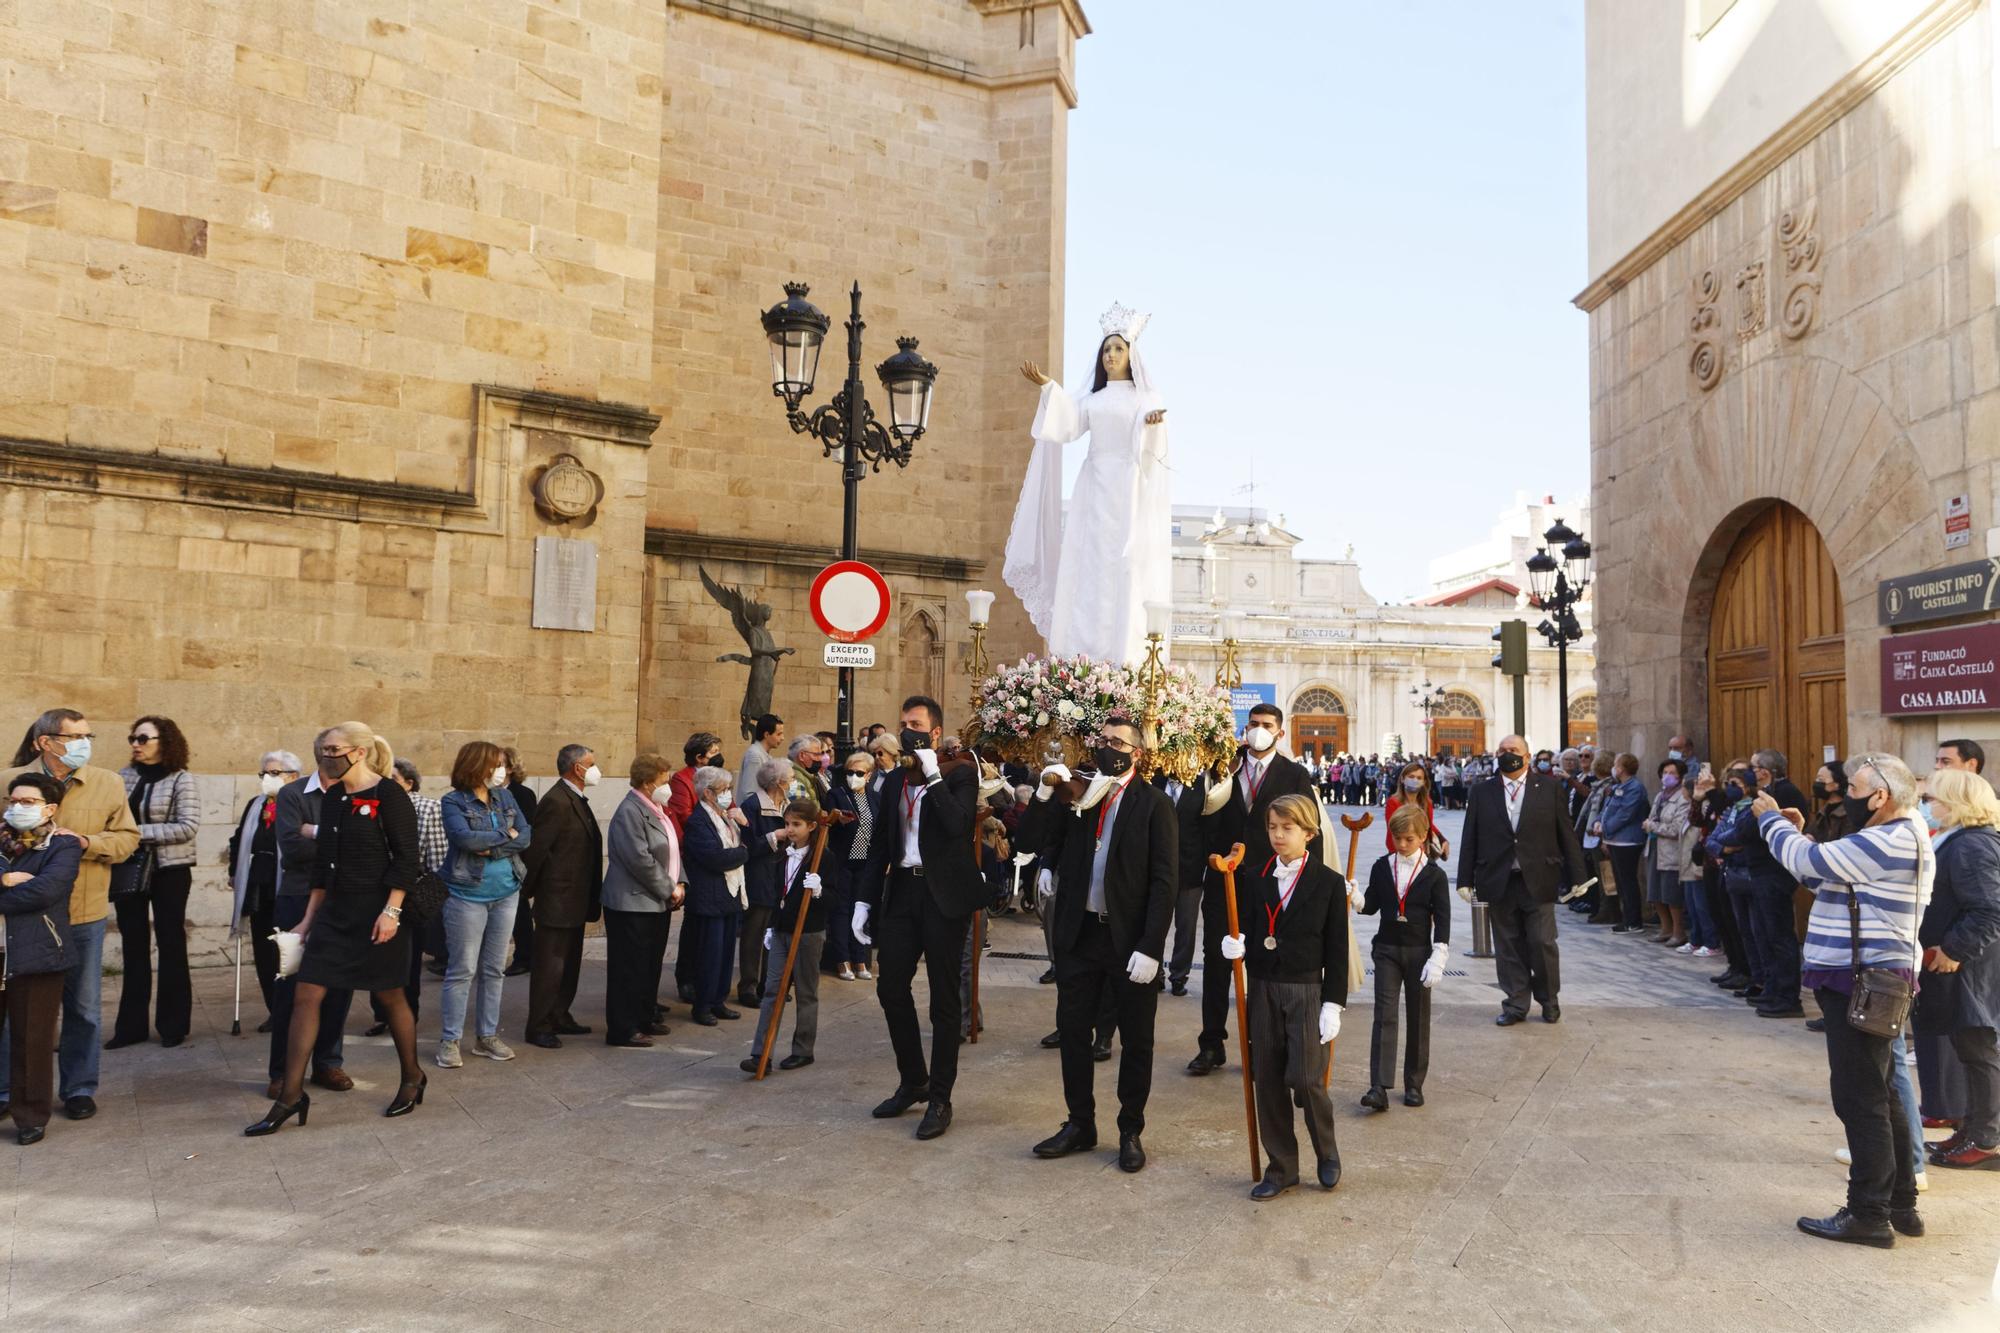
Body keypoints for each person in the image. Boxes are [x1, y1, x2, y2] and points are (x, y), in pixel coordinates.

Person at [1752, 753, 1929, 1245]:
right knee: (1882, 1090)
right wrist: (1796, 833)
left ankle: (1868, 1213)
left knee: (1861, 1096)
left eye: (1854, 787)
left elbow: (1808, 863)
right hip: (1867, 978)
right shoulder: (1896, 832)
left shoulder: (1890, 837)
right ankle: (1899, 1204)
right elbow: (1822, 874)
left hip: (1860, 981)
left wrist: (1770, 822)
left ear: (1881, 796)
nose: (1846, 794)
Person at [1016, 716, 1176, 1173]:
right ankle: (1080, 1123)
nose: (1108, 748)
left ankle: (1130, 1129)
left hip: (1128, 939)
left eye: (1117, 742)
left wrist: (1151, 946)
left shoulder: (1154, 805)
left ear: (1137, 753)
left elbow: (1165, 882)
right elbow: (1030, 842)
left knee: (1137, 1038)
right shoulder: (1079, 798)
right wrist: (1046, 794)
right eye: (1102, 740)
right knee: (1072, 1030)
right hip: (1080, 934)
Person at [247, 722, 424, 1135]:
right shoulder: (334, 800)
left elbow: (406, 859)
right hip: (334, 914)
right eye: (322, 749)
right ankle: (290, 1096)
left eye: (333, 749)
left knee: (391, 996)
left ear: (359, 752)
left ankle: (412, 1076)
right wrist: (308, 920)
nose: (326, 756)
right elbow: (323, 869)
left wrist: (392, 913)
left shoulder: (389, 794)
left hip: (380, 912)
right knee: (306, 996)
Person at [1007, 307, 1170, 664]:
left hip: (1126, 487)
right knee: (1088, 564)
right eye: (1106, 350)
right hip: (1094, 486)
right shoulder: (1093, 399)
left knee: (1124, 565)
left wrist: (1152, 426)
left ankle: (1124, 654)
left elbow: (1151, 439)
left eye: (1118, 349)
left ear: (1131, 356)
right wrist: (1049, 388)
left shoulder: (1145, 398)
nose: (1111, 355)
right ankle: (1083, 654)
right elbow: (1068, 424)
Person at [0, 709, 140, 1123]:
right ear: (45, 742)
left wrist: (85, 841)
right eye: (74, 736)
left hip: (84, 910)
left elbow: (127, 839)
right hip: (22, 918)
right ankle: (9, 1088)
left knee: (83, 1007)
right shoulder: (9, 781)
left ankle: (79, 1087)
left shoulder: (107, 782)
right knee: (15, 1007)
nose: (84, 743)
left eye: (87, 735)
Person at [856, 695, 983, 1141]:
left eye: (915, 724)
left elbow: (957, 825)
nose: (905, 729)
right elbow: (877, 845)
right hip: (903, 892)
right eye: (902, 722)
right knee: (891, 988)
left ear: (933, 732)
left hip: (943, 895)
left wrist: (932, 775)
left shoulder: (960, 774)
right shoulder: (891, 783)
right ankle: (914, 1079)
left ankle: (942, 1096)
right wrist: (863, 901)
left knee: (945, 1001)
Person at [1218, 795, 1349, 1199]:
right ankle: (1281, 1166)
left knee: (1307, 1079)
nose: (1277, 835)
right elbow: (1254, 931)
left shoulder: (1328, 883)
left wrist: (1333, 1003)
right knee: (1268, 1078)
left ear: (1309, 833)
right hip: (1263, 987)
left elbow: (1337, 950)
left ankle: (1326, 1151)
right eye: (1272, 827)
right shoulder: (1255, 877)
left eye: (1287, 828)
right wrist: (1237, 946)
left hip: (1307, 991)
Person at [1190, 703, 1317, 1075]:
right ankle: (1211, 1043)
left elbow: (1309, 828)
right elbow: (1199, 815)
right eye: (1253, 724)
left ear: (1279, 732)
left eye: (1266, 725)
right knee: (1217, 961)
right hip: (1223, 879)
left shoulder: (1293, 774)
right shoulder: (1223, 765)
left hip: (1269, 883)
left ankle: (1261, 1045)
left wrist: (1308, 881)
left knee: (1263, 964)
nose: (1257, 730)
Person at [1457, 734, 1587, 1026]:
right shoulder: (1482, 791)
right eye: (1502, 750)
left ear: (1527, 757)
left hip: (1539, 878)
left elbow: (1566, 834)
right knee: (1507, 946)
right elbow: (1470, 837)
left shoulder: (1550, 788)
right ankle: (1515, 1004)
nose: (1507, 754)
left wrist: (1579, 876)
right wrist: (1464, 878)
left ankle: (1548, 999)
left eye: (1513, 750)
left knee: (1542, 943)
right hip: (1498, 879)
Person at [1915, 768, 2000, 1171]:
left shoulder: (1972, 845)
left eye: (1932, 799)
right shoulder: (1961, 840)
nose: (1926, 806)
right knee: (1969, 1049)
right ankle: (1971, 1128)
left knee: (1979, 1048)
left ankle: (1987, 1138)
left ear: (1955, 803)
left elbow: (1989, 909)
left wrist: (1954, 949)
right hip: (1965, 965)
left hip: (1970, 966)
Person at [265, 732, 355, 1099]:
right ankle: (283, 1072)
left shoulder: (360, 794)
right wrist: (343, 842)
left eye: (341, 750)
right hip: (298, 897)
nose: (334, 756)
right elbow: (292, 847)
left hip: (346, 898)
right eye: (329, 750)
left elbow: (369, 845)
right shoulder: (293, 794)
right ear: (318, 753)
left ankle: (328, 1062)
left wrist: (317, 833)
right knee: (292, 987)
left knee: (339, 986)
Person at [436, 742, 532, 1067]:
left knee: (494, 969)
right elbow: (464, 839)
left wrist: (491, 846)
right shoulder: (452, 801)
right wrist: (507, 835)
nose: (502, 770)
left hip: (507, 891)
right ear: (478, 766)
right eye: (497, 764)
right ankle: (450, 1040)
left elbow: (527, 835)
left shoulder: (505, 796)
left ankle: (486, 1036)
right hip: (466, 895)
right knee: (462, 970)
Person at [107, 716, 200, 1050]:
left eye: (144, 738)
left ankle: (173, 1025)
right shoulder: (123, 776)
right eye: (133, 737)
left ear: (165, 742)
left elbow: (187, 826)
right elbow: (111, 819)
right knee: (133, 944)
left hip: (170, 871)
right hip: (129, 868)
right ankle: (131, 1027)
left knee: (171, 941)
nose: (136, 744)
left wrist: (134, 835)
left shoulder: (181, 779)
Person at [0, 773, 80, 1143]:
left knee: (32, 1038)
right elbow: (31, 890)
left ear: (50, 808)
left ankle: (31, 1115)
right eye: (13, 800)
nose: (17, 807)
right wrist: (8, 881)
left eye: (27, 802)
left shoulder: (63, 846)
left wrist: (22, 884)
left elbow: (46, 892)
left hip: (39, 951)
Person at [1355, 803, 1450, 1111]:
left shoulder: (1435, 875)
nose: (1403, 845)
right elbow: (1370, 906)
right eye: (1398, 839)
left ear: (1423, 836)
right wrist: (1354, 896)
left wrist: (1440, 954)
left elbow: (1443, 918)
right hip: (1386, 950)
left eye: (1409, 839)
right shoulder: (1382, 866)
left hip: (1420, 952)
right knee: (1385, 1015)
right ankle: (1378, 1086)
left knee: (1418, 1018)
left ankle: (1414, 1083)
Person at [519, 744, 603, 1048]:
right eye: (590, 764)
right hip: (557, 897)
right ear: (575, 768)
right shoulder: (556, 800)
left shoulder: (576, 798)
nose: (595, 769)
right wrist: (528, 891)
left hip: (576, 898)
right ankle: (539, 1024)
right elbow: (538, 849)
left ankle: (559, 1014)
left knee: (569, 963)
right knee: (550, 965)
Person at [741, 798, 830, 1074]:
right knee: (772, 990)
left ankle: (803, 1050)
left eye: (797, 824)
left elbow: (837, 900)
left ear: (812, 826)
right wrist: (771, 926)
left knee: (805, 991)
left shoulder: (823, 858)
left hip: (809, 932)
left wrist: (819, 891)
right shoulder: (782, 855)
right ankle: (761, 1053)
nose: (790, 830)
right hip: (781, 931)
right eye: (787, 824)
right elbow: (777, 894)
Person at [602, 753, 684, 1049]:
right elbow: (639, 859)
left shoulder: (658, 808)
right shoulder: (630, 811)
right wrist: (669, 888)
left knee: (649, 965)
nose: (668, 786)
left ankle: (644, 1016)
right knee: (629, 967)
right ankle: (623, 1028)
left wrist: (681, 881)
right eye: (664, 780)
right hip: (632, 904)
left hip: (656, 902)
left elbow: (673, 847)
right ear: (648, 782)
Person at [228, 750, 302, 1031]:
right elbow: (238, 839)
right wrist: (234, 871)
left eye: (274, 773)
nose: (266, 779)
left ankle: (293, 1009)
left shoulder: (300, 803)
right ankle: (275, 1009)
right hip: (258, 884)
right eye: (264, 773)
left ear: (293, 776)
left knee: (287, 950)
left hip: (287, 885)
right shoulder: (255, 804)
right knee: (264, 950)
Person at [366, 757, 438, 1034]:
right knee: (375, 956)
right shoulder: (372, 806)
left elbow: (436, 858)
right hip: (375, 891)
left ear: (409, 783)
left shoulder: (429, 809)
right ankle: (381, 1015)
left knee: (408, 959)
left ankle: (408, 1014)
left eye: (394, 779)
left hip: (412, 896)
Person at [683, 764, 749, 1026]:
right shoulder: (699, 821)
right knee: (709, 955)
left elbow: (743, 843)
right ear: (708, 793)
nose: (728, 794)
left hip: (730, 893)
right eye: (724, 790)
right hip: (709, 895)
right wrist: (743, 853)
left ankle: (718, 1000)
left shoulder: (724, 815)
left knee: (724, 954)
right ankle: (703, 1005)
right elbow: (715, 857)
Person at [1154, 766, 1217, 997]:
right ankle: (1155, 973)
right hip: (1157, 869)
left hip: (1190, 870)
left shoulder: (1201, 787)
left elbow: (1207, 830)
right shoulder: (1154, 781)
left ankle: (1179, 976)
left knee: (1186, 927)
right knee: (1156, 923)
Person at [737, 760, 791, 1008]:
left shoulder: (787, 806)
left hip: (780, 876)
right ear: (778, 783)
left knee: (775, 933)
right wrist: (774, 836)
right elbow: (747, 845)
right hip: (758, 876)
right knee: (754, 934)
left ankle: (770, 983)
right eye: (789, 779)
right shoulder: (753, 806)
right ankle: (748, 986)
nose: (791, 783)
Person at [825, 748, 877, 981]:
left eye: (859, 772)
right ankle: (842, 959)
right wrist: (836, 819)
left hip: (866, 863)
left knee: (861, 910)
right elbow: (828, 821)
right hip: (843, 861)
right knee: (841, 910)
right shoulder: (837, 794)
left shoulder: (875, 797)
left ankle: (859, 959)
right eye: (849, 771)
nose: (853, 776)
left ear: (869, 775)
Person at [1596, 754, 1650, 935]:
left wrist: (1605, 828)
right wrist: (1598, 822)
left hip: (1628, 841)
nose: (1613, 767)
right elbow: (1607, 808)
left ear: (1622, 768)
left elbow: (1626, 814)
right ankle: (1627, 918)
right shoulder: (1618, 786)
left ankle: (1633, 921)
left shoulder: (1634, 788)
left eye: (1616, 764)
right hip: (1615, 840)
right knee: (1620, 882)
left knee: (1628, 881)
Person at [1641, 759, 1691, 948]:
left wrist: (1652, 826)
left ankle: (1679, 932)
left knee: (1671, 893)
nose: (1667, 776)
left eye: (1672, 773)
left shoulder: (1682, 798)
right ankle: (1665, 928)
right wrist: (1650, 823)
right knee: (1655, 891)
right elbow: (1653, 816)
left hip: (1671, 851)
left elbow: (1677, 828)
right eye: (1664, 773)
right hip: (1654, 846)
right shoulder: (1661, 795)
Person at [501, 747, 539, 977]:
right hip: (495, 862)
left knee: (519, 911)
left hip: (516, 861)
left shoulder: (522, 794)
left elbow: (526, 831)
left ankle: (525, 956)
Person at [1382, 760, 1445, 856]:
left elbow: (1428, 825)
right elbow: (1393, 830)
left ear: (1424, 782)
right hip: (1399, 850)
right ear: (1403, 779)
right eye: (1411, 777)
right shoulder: (1394, 802)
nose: (1415, 780)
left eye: (1419, 778)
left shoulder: (1426, 802)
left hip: (1422, 853)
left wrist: (1442, 839)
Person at [667, 732, 722, 834]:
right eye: (714, 752)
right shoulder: (681, 779)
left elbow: (729, 804)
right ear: (699, 758)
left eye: (718, 751)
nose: (718, 756)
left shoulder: (718, 775)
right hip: (701, 836)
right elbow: (684, 816)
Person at [736, 713, 786, 801]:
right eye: (778, 734)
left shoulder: (765, 755)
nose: (782, 738)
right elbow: (749, 792)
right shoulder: (754, 755)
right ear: (766, 735)